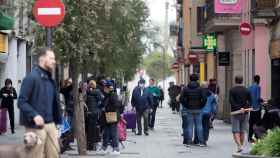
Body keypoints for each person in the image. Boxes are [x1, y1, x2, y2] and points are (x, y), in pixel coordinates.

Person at [18, 47, 62, 158]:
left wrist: (56, 124)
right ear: (42, 59)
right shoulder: (31, 78)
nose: (54, 61)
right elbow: (21, 101)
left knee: (54, 155)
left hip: (51, 125)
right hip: (35, 127)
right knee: (35, 156)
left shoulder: (50, 79)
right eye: (51, 58)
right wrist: (34, 115)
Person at [179, 74, 206, 147]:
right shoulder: (200, 88)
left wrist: (186, 105)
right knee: (199, 126)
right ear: (197, 79)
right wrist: (201, 106)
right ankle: (201, 142)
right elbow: (204, 99)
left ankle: (188, 142)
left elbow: (181, 99)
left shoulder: (185, 88)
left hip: (189, 109)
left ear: (190, 79)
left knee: (189, 126)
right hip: (198, 109)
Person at [98, 80, 122, 155]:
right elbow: (103, 104)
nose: (104, 89)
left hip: (112, 116)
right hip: (107, 116)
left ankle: (116, 149)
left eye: (105, 87)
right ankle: (104, 148)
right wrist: (101, 106)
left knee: (113, 133)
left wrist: (106, 108)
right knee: (106, 133)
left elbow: (116, 105)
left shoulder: (113, 95)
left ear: (109, 88)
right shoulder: (107, 95)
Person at [229, 75, 251, 153]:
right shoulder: (247, 90)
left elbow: (231, 101)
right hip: (245, 113)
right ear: (242, 81)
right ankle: (240, 146)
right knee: (242, 131)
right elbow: (250, 101)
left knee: (235, 131)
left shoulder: (232, 90)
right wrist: (244, 108)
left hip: (235, 113)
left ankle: (239, 146)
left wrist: (238, 108)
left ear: (235, 81)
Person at [85, 80, 102, 150]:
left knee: (89, 129)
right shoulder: (97, 92)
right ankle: (93, 145)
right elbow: (99, 100)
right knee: (94, 129)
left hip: (90, 113)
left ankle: (90, 145)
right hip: (95, 113)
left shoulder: (88, 92)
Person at [248, 75, 263, 143]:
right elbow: (258, 98)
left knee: (251, 123)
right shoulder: (258, 87)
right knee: (257, 123)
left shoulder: (250, 87)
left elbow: (248, 98)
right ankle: (257, 137)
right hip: (257, 108)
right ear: (259, 80)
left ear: (254, 80)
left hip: (251, 108)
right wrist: (263, 101)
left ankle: (250, 137)